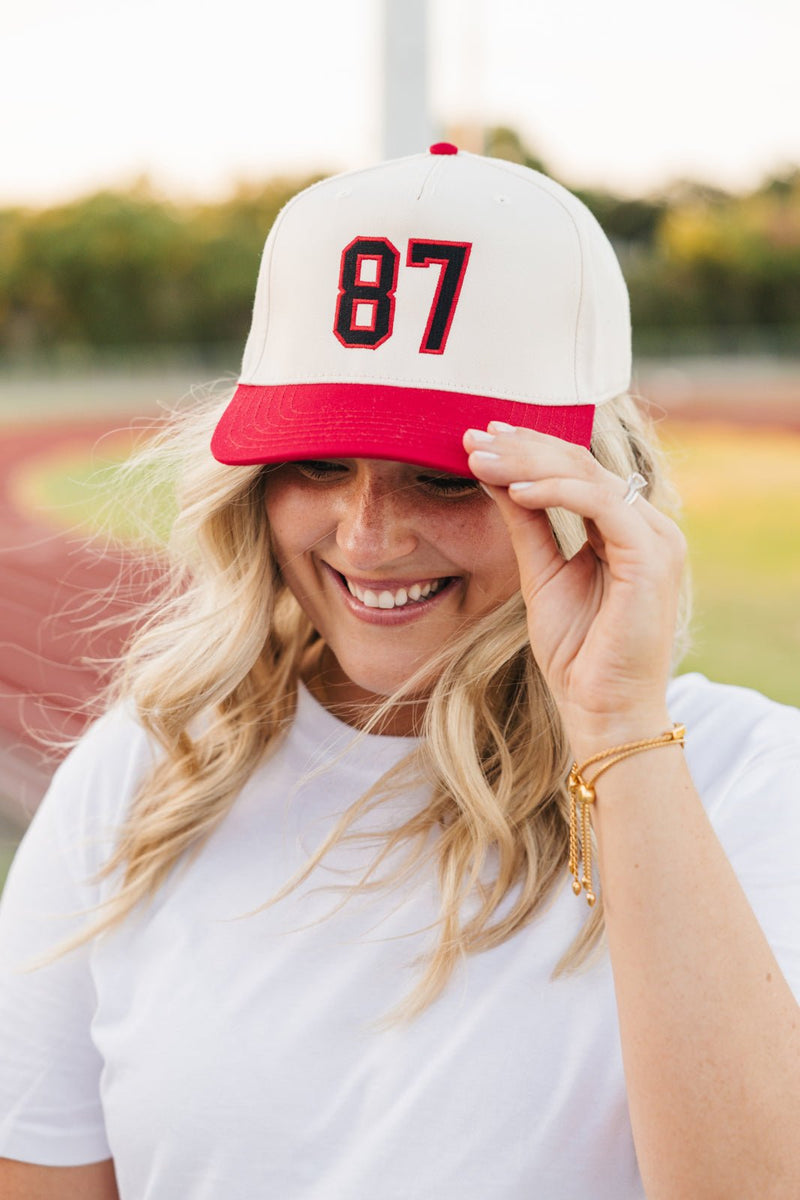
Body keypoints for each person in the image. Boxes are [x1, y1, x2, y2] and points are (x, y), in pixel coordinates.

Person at [0, 144, 798, 1200]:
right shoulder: (144, 776)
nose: (366, 536)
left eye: (441, 478)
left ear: (588, 488)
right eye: (317, 462)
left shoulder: (752, 779)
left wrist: (615, 727)